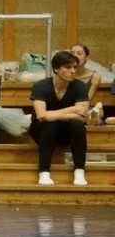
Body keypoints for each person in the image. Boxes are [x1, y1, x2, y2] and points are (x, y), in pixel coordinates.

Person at [31, 51, 90, 186]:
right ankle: (44, 172)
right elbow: (41, 115)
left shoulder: (80, 86)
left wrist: (54, 115)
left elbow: (82, 118)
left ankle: (79, 171)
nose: (73, 71)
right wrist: (72, 110)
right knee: (51, 126)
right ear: (56, 69)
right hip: (41, 130)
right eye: (68, 67)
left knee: (77, 126)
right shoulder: (41, 86)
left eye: (75, 67)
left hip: (66, 132)